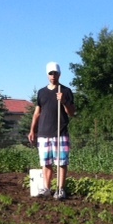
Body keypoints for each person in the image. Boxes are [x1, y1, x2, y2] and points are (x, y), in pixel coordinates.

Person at [28, 61, 76, 200]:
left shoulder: (65, 91)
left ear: (59, 74)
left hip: (60, 132)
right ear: (47, 75)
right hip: (44, 133)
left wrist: (64, 101)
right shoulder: (41, 92)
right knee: (46, 162)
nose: (53, 75)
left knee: (61, 162)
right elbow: (37, 112)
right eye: (50, 73)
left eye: (55, 73)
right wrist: (32, 130)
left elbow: (71, 112)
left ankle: (60, 190)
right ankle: (47, 189)